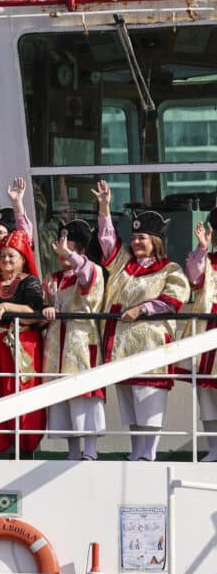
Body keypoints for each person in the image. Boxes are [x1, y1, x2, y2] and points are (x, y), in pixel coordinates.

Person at [93, 180, 189, 461]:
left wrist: (141, 309)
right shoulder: (123, 264)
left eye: (142, 238)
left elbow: (174, 300)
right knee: (129, 400)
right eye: (134, 238)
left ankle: (149, 452)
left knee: (148, 398)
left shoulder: (170, 269)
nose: (136, 242)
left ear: (155, 241)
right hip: (122, 343)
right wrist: (104, 207)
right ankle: (136, 450)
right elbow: (107, 239)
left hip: (151, 345)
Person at [0, 230, 45, 456]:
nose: (6, 260)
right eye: (3, 256)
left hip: (21, 344)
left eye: (11, 256)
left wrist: (6, 308)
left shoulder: (30, 282)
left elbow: (34, 311)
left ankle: (24, 445)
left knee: (21, 391)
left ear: (23, 259)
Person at [42, 220, 106, 460]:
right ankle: (72, 451)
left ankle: (90, 451)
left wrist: (69, 254)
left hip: (80, 340)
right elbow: (44, 302)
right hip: (56, 343)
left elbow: (86, 277)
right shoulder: (52, 278)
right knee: (61, 398)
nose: (60, 251)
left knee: (85, 396)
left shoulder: (92, 270)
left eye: (66, 247)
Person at [179, 213, 217, 461]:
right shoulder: (208, 260)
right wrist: (201, 249)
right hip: (207, 332)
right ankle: (215, 448)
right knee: (207, 393)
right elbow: (192, 277)